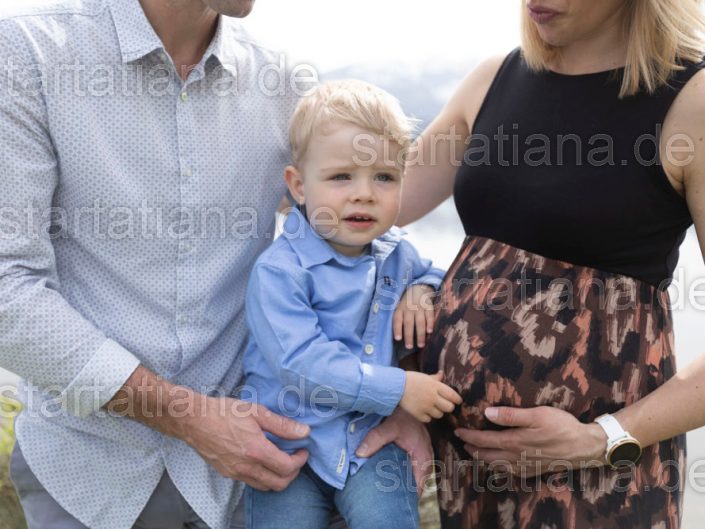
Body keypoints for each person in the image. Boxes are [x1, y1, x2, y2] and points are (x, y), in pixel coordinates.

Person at [0, 0, 348, 528]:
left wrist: (398, 393)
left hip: (257, 482)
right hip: (88, 475)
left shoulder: (283, 82)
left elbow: (351, 233)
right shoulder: (27, 55)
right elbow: (7, 288)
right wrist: (191, 419)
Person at [358, 0, 705, 528]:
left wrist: (600, 439)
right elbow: (362, 212)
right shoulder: (492, 80)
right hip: (464, 472)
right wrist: (414, 280)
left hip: (596, 483)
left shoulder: (692, 100)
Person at [240, 79, 462, 529]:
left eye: (384, 177)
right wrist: (398, 388)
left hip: (371, 441)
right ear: (299, 186)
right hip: (288, 450)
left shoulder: (397, 253)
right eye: (341, 177)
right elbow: (300, 361)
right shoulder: (280, 271)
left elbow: (438, 274)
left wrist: (422, 290)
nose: (364, 193)